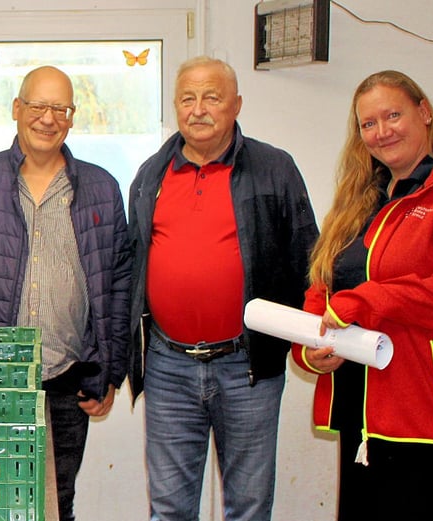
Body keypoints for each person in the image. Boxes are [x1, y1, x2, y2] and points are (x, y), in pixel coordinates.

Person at [0, 65, 131, 521]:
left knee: (56, 504)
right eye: (38, 105)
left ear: (73, 117)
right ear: (17, 109)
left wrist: (110, 373)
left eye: (61, 108)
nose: (48, 117)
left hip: (67, 380)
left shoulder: (101, 188)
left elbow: (118, 286)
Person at [291, 70, 433, 520]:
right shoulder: (361, 200)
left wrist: (366, 302)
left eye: (393, 115)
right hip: (363, 413)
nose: (382, 132)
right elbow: (324, 286)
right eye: (368, 124)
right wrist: (312, 349)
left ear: (424, 114)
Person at [126, 56, 319, 521]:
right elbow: (131, 270)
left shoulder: (275, 168)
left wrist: (314, 340)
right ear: (175, 106)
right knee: (170, 509)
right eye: (187, 98)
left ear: (236, 104)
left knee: (249, 508)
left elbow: (308, 260)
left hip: (247, 366)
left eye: (211, 97)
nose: (198, 109)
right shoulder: (151, 175)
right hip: (169, 367)